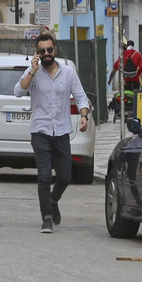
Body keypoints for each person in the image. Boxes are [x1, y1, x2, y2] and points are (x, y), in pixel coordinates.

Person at [17, 32, 91, 233]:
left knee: (65, 177)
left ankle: (53, 199)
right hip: (40, 131)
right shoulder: (33, 72)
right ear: (37, 53)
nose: (47, 53)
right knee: (44, 176)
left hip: (61, 131)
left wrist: (84, 115)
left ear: (55, 50)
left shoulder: (68, 72)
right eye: (42, 51)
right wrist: (32, 70)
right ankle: (46, 218)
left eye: (49, 50)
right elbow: (18, 90)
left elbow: (81, 97)